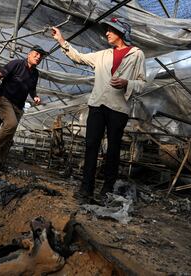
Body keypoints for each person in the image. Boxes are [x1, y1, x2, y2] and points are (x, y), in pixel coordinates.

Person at [51, 18, 146, 202]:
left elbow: (142, 84)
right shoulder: (103, 55)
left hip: (118, 108)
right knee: (91, 145)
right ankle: (86, 188)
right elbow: (79, 57)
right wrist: (61, 41)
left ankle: (107, 189)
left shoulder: (136, 54)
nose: (107, 33)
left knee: (113, 149)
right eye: (107, 30)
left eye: (111, 30)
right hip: (97, 105)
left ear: (121, 33)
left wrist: (127, 83)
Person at [0, 45, 47, 167]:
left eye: (40, 56)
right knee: (11, 124)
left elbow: (32, 89)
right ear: (29, 54)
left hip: (18, 106)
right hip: (5, 99)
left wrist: (35, 96)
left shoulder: (35, 73)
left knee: (10, 135)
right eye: (36, 54)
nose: (38, 57)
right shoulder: (16, 64)